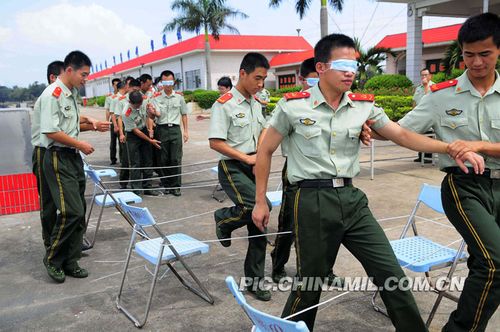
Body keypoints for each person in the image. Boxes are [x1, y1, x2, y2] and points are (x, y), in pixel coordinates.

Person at [252, 34, 484, 331]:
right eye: (343, 64)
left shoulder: (363, 106)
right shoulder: (293, 106)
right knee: (310, 283)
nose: (351, 71)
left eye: (355, 65)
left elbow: (401, 135)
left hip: (352, 199)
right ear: (321, 68)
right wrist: (260, 200)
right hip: (311, 200)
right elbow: (265, 150)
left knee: (391, 275)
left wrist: (449, 147)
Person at [391, 13, 500, 332]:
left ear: (498, 50)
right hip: (463, 186)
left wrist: (479, 145)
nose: (476, 62)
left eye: (485, 53)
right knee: (495, 262)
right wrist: (370, 126)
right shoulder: (441, 95)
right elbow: (404, 131)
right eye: (468, 54)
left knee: (487, 265)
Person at [270, 56, 342, 286]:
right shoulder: (292, 105)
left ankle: (324, 269)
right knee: (290, 224)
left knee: (326, 224)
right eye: (311, 80)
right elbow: (269, 136)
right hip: (297, 171)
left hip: (326, 172)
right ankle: (278, 265)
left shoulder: (336, 103)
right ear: (302, 80)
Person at [39, 51, 110, 283]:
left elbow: (71, 126)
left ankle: (71, 260)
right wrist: (80, 143)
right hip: (58, 157)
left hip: (72, 157)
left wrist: (93, 127)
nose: (86, 79)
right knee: (71, 211)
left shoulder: (71, 94)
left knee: (79, 212)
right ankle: (53, 258)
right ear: (69, 70)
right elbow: (51, 131)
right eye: (84, 74)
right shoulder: (53, 94)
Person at [209, 52, 273, 301]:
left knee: (260, 221)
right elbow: (215, 142)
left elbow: (262, 134)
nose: (260, 84)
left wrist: (260, 158)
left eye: (264, 79)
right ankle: (223, 219)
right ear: (243, 73)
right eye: (257, 78)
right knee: (257, 206)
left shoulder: (257, 103)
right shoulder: (224, 104)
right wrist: (246, 158)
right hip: (233, 166)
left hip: (255, 165)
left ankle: (255, 281)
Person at [150, 70, 188, 196]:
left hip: (175, 130)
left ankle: (176, 186)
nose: (167, 84)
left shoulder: (179, 97)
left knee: (176, 159)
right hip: (161, 129)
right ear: (161, 82)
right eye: (165, 82)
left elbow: (184, 114)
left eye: (170, 81)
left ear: (174, 82)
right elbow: (152, 115)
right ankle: (167, 184)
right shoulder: (155, 97)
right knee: (163, 159)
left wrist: (186, 131)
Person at [121, 90, 161, 196]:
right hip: (133, 136)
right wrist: (150, 140)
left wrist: (151, 113)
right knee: (135, 163)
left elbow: (150, 116)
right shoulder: (126, 113)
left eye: (139, 104)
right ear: (130, 101)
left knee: (148, 161)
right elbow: (135, 131)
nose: (138, 107)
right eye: (136, 105)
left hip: (144, 130)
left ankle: (148, 187)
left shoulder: (145, 102)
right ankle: (136, 189)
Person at [117, 78, 141, 189]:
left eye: (137, 89)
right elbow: (119, 118)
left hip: (140, 130)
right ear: (128, 87)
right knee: (126, 159)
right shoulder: (122, 101)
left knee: (138, 159)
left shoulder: (141, 99)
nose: (135, 91)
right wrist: (121, 133)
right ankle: (123, 182)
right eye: (133, 89)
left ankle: (138, 184)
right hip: (128, 132)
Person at [412, 68, 435, 163]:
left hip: (428, 115)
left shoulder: (433, 86)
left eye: (426, 75)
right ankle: (420, 155)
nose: (424, 77)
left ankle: (428, 156)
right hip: (418, 115)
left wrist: (426, 85)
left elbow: (428, 98)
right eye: (422, 75)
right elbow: (414, 100)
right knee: (419, 135)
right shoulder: (418, 87)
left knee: (427, 135)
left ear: (430, 76)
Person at [105, 78, 121, 165]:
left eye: (119, 84)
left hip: (121, 119)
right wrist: (107, 122)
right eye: (115, 85)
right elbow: (108, 110)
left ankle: (123, 158)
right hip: (113, 119)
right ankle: (113, 158)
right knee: (113, 140)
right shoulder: (109, 97)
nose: (117, 86)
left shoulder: (123, 95)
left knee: (121, 140)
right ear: (113, 85)